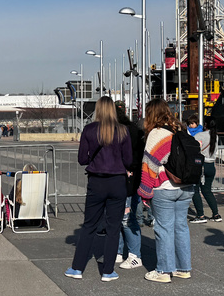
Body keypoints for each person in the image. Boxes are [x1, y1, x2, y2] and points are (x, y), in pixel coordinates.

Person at [65, 96, 131, 282]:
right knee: (113, 227)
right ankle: (108, 270)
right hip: (117, 181)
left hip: (97, 181)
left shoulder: (89, 129)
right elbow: (128, 160)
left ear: (98, 110)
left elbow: (82, 159)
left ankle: (77, 268)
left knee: (89, 225)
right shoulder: (123, 131)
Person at [138, 99, 193, 283]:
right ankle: (183, 268)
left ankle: (164, 271)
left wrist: (145, 192)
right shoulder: (180, 129)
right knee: (181, 227)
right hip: (185, 186)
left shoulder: (157, 133)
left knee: (164, 229)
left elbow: (149, 165)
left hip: (165, 187)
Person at [114, 100, 144, 270]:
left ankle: (134, 255)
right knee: (121, 218)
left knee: (125, 218)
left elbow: (133, 156)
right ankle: (121, 252)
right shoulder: (133, 129)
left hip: (126, 178)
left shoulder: (123, 131)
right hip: (130, 177)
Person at [187, 114, 221, 223]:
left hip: (201, 166)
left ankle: (200, 215)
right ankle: (216, 214)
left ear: (205, 124)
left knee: (195, 190)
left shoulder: (200, 135)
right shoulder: (216, 136)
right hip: (211, 165)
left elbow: (192, 148)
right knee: (207, 190)